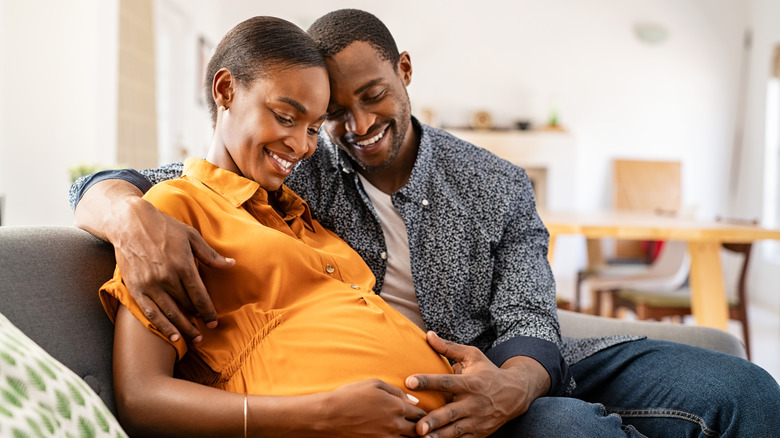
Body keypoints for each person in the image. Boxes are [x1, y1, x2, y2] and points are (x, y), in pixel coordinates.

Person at [71, 8, 780, 438]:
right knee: (568, 429)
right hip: (434, 386)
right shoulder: (294, 169)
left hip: (516, 358)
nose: (355, 127)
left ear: (405, 71)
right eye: (326, 116)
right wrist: (127, 217)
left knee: (746, 391)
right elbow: (138, 184)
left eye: (372, 96)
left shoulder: (493, 182)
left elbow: (531, 312)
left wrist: (516, 381)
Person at [100, 16, 453, 437]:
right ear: (226, 90)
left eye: (315, 128)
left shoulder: (300, 216)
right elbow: (140, 398)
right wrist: (324, 414)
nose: (303, 146)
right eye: (286, 117)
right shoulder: (172, 211)